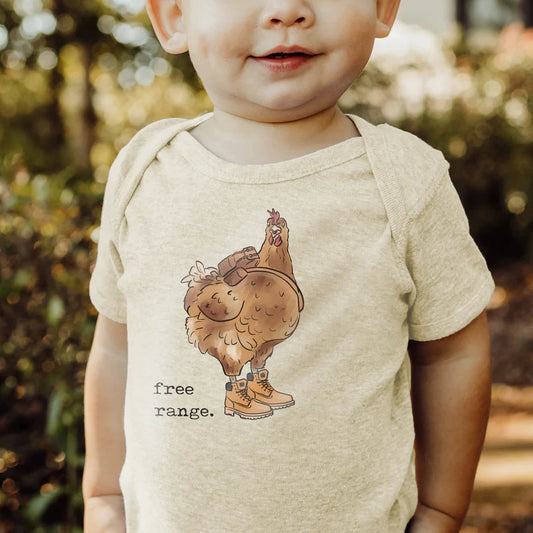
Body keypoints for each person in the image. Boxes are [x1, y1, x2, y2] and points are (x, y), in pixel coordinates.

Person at [82, 1, 495, 532]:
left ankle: (255, 382)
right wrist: (104, 496)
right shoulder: (143, 171)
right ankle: (242, 387)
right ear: (173, 18)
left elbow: (453, 354)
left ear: (382, 8)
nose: (285, 10)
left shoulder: (407, 180)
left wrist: (440, 510)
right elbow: (117, 349)